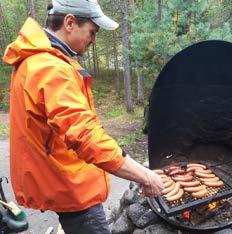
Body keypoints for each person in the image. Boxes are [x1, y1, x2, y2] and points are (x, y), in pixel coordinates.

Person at [2, 0, 164, 233]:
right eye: (92, 32)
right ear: (69, 23)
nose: (93, 40)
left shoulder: (38, 60)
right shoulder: (50, 68)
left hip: (60, 177)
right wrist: (145, 176)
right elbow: (86, 136)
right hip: (71, 187)